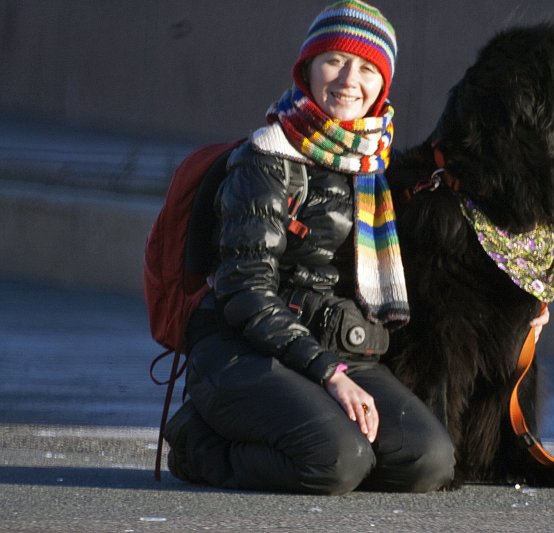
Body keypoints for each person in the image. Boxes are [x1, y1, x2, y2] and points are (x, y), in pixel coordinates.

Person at [163, 0, 455, 495]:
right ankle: (201, 444)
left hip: (340, 347)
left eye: (366, 68)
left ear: (382, 86)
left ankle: (325, 443)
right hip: (246, 351)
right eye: (335, 61)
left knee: (426, 461)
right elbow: (245, 290)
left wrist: (531, 302)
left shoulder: (374, 162)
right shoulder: (267, 156)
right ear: (308, 68)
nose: (348, 80)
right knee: (336, 461)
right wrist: (329, 374)